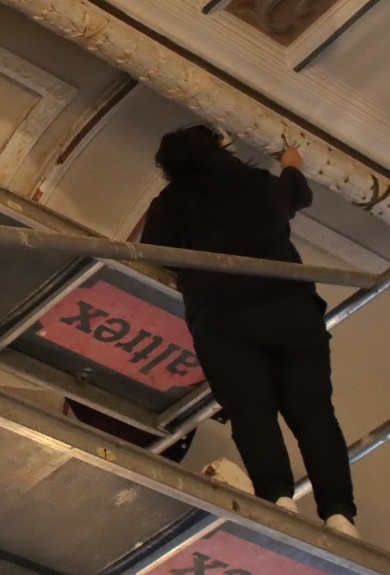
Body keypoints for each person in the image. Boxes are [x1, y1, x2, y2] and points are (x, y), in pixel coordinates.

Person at [138, 124, 358, 537]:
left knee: (252, 412)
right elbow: (297, 194)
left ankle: (278, 499)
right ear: (220, 149)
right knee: (314, 414)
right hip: (291, 313)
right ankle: (339, 514)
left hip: (223, 322)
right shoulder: (256, 184)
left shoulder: (170, 204)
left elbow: (156, 253)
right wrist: (291, 164)